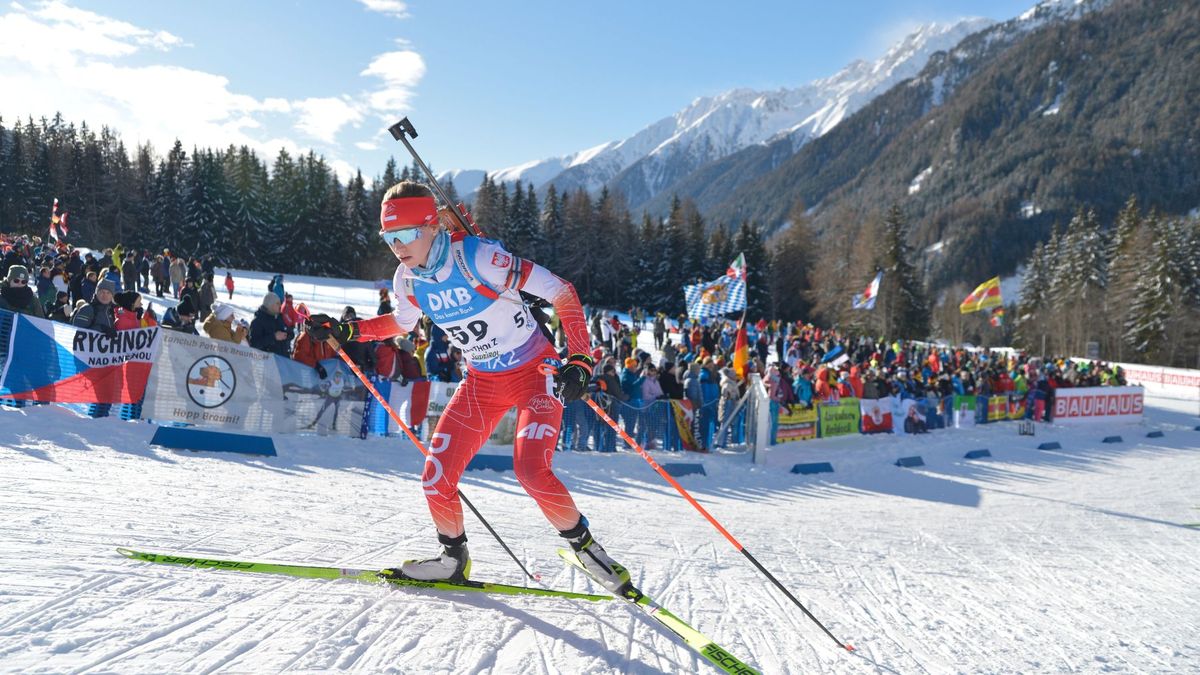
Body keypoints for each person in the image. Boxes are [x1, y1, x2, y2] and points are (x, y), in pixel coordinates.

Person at [306, 180, 628, 590]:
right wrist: (346, 330)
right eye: (389, 237)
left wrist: (579, 359)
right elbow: (400, 324)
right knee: (435, 476)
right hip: (481, 381)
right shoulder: (406, 280)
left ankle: (587, 549)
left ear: (432, 226)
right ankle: (453, 558)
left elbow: (562, 292)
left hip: (535, 372)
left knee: (531, 470)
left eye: (406, 234)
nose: (398, 246)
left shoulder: (477, 256)